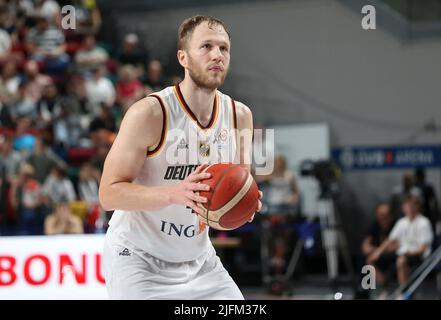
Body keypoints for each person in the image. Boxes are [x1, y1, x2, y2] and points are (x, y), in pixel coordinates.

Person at [99, 15, 262, 300]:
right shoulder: (150, 113)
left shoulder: (240, 116)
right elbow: (108, 194)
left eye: (224, 48)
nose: (217, 55)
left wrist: (243, 203)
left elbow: (232, 190)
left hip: (200, 262)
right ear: (183, 58)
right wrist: (176, 194)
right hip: (138, 258)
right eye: (207, 46)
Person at [369, 194, 433, 286]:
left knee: (401, 261)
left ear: (417, 207)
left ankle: (403, 292)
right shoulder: (401, 222)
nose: (409, 208)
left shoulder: (424, 222)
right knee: (371, 260)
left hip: (417, 255)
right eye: (407, 206)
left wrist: (410, 253)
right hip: (402, 253)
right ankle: (384, 286)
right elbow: (390, 240)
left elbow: (423, 248)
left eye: (412, 205)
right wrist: (377, 252)